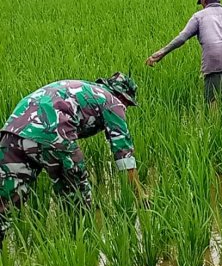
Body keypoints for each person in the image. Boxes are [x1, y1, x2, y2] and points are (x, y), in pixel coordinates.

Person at [0, 73, 143, 243]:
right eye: (128, 104)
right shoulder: (113, 102)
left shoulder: (84, 88)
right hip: (53, 133)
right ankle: (85, 247)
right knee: (78, 198)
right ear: (122, 96)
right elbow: (124, 155)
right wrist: (139, 194)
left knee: (6, 202)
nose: (125, 108)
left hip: (13, 131)